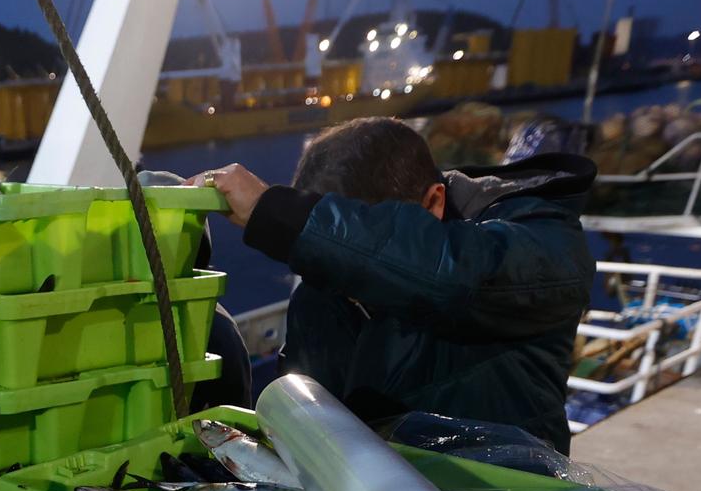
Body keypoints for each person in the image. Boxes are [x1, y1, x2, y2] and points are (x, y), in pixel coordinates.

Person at [192, 115, 597, 450]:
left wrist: (275, 213)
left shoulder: (540, 243)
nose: (341, 276)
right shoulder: (323, 284)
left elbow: (455, 274)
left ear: (434, 202)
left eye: (345, 245)